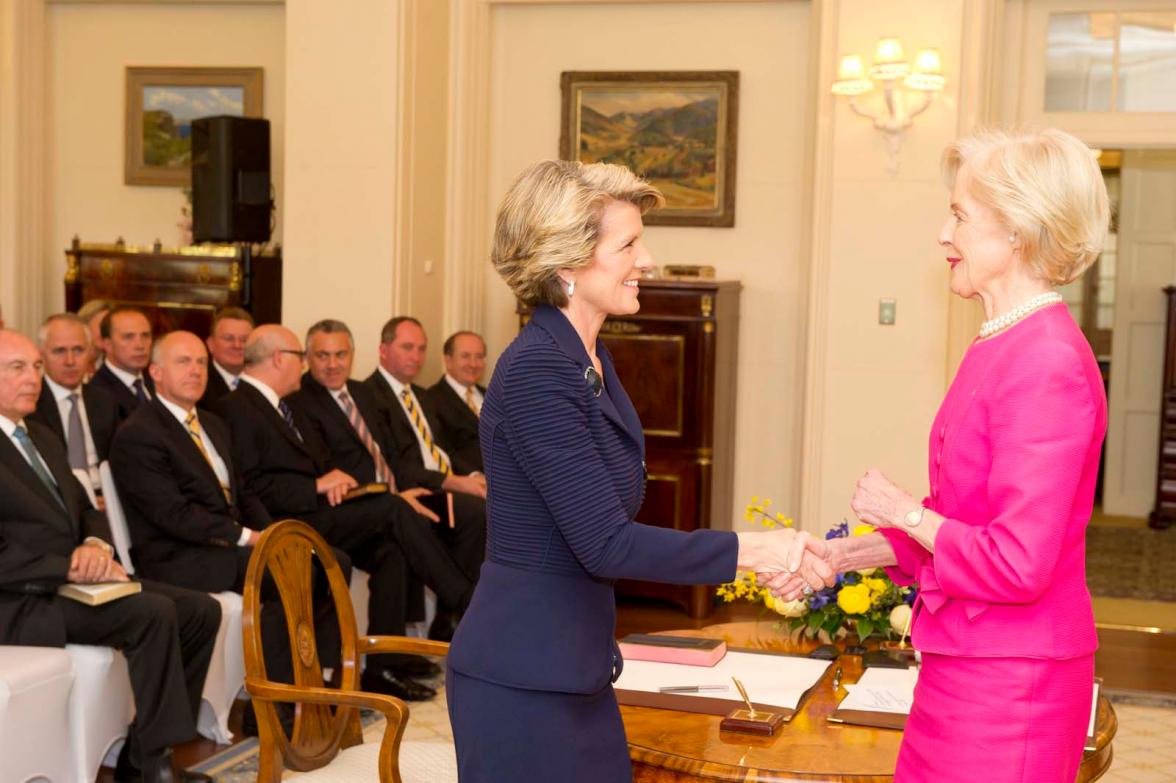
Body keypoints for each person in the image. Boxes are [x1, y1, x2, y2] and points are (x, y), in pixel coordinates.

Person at [444, 160, 833, 783]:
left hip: (577, 666)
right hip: (522, 678)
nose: (647, 258)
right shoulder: (539, 370)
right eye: (627, 244)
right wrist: (761, 551)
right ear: (567, 264)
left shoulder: (590, 359)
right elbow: (605, 543)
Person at [766, 128, 1109, 783]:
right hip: (967, 666)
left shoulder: (1046, 362)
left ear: (1018, 233)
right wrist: (843, 555)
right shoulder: (1002, 341)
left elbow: (1016, 560)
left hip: (1013, 686)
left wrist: (901, 508)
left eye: (959, 216)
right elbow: (959, 520)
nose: (942, 236)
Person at [0, 329, 220, 783]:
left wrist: (97, 545)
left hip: (74, 583)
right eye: (16, 368)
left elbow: (86, 509)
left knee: (200, 610)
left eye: (35, 367)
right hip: (20, 599)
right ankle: (154, 765)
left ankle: (142, 750)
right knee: (153, 612)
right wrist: (68, 566)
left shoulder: (39, 435)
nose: (32, 378)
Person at [212, 324, 476, 701]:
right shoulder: (238, 408)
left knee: (391, 549)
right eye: (301, 357)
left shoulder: (279, 404)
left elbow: (309, 466)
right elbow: (250, 486)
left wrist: (334, 483)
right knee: (392, 507)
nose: (304, 365)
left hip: (318, 509)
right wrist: (316, 486)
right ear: (278, 359)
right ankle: (465, 602)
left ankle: (383, 666)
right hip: (288, 521)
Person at [109, 331, 345, 733]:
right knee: (277, 572)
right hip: (176, 556)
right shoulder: (140, 433)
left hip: (224, 546)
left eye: (201, 362)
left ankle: (312, 683)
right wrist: (247, 538)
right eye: (184, 362)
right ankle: (270, 708)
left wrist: (273, 534)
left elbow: (245, 491)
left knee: (328, 561)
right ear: (156, 373)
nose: (196, 371)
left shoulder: (213, 424)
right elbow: (174, 515)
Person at [287, 319, 486, 644]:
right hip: (350, 506)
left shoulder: (361, 393)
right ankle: (465, 600)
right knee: (408, 513)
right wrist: (394, 495)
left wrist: (402, 490)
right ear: (307, 357)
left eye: (341, 354)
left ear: (352, 354)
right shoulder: (301, 402)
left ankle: (392, 661)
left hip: (392, 498)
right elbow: (327, 467)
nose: (333, 364)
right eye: (323, 356)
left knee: (396, 549)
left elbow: (393, 455)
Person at [365, 317, 487, 493]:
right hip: (422, 489)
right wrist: (450, 481)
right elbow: (393, 461)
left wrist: (473, 476)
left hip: (453, 481)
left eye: (422, 349)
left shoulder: (422, 395)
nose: (416, 357)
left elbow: (445, 449)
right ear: (383, 350)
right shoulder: (368, 395)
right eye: (407, 347)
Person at [29, 313, 119, 503]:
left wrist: (112, 499)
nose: (70, 361)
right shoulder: (31, 404)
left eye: (78, 350)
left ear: (90, 353)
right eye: (59, 351)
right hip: (58, 502)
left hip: (107, 499)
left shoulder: (104, 401)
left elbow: (120, 463)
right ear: (41, 354)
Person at [425, 331, 487, 474]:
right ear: (448, 360)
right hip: (472, 484)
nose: (473, 364)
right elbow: (441, 451)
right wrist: (474, 476)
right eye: (465, 356)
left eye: (479, 357)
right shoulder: (430, 400)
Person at [89, 305, 155, 423]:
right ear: (107, 344)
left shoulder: (158, 380)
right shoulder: (97, 395)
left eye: (145, 335)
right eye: (128, 337)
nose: (140, 345)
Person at [199, 306, 253, 409]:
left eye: (244, 340)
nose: (237, 345)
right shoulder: (198, 382)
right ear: (210, 344)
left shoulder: (264, 382)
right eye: (229, 338)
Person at [77, 298, 111, 376]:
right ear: (85, 326)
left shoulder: (110, 363)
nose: (107, 332)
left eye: (109, 326)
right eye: (102, 326)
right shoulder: (70, 361)